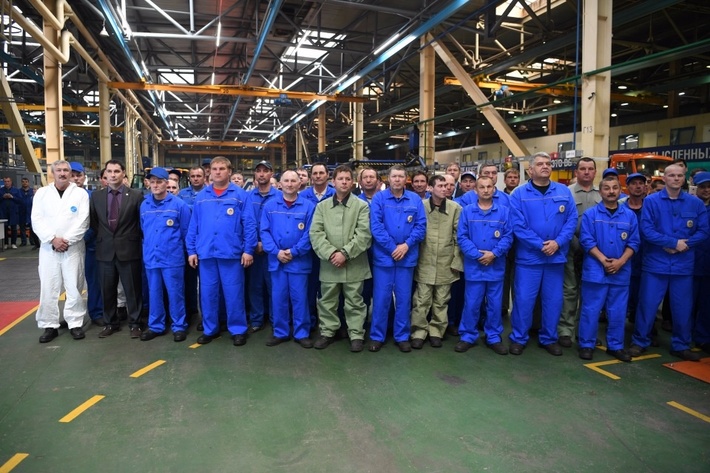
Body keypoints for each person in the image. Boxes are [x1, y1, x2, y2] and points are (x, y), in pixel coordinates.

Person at [630, 164, 709, 361]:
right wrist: (672, 243)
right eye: (671, 175)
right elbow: (646, 229)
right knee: (647, 305)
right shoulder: (651, 201)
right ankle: (640, 341)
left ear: (685, 179)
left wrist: (685, 244)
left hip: (683, 266)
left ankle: (681, 345)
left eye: (679, 175)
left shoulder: (695, 204)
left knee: (683, 308)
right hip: (656, 264)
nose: (676, 178)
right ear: (664, 178)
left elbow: (704, 231)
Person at [508, 152, 577, 356]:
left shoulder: (563, 192)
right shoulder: (519, 194)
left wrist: (558, 243)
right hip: (529, 259)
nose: (545, 166)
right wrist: (540, 245)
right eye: (540, 164)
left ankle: (549, 338)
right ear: (530, 170)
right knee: (523, 300)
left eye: (548, 163)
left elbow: (571, 220)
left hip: (555, 258)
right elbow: (518, 226)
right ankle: (519, 338)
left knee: (553, 301)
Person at [186, 156, 256, 346]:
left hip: (231, 253)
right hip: (206, 253)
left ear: (229, 171)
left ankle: (238, 329)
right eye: (214, 169)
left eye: (222, 168)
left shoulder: (240, 195)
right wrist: (191, 250)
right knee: (208, 294)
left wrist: (248, 250)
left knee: (234, 294)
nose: (217, 172)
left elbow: (249, 224)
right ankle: (210, 329)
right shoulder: (202, 197)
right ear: (210, 172)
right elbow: (194, 226)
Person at [577, 174, 640, 362]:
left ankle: (615, 346)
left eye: (615, 188)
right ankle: (586, 344)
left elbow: (634, 242)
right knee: (590, 309)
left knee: (618, 311)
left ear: (620, 191)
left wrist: (620, 262)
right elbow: (586, 240)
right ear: (601, 192)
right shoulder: (591, 215)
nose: (611, 192)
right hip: (595, 271)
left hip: (621, 272)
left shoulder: (629, 216)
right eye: (607, 188)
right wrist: (604, 260)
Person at [310, 165, 372, 352]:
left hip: (354, 264)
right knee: (327, 301)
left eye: (347, 179)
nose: (344, 182)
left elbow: (364, 235)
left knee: (355, 301)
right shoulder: (322, 207)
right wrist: (331, 253)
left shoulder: (361, 206)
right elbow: (316, 233)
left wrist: (344, 254)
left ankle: (356, 334)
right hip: (329, 264)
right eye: (340, 179)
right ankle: (328, 332)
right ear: (333, 182)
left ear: (352, 182)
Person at [369, 165, 426, 352]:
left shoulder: (415, 200)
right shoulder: (379, 198)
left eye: (401, 176)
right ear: (388, 178)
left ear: (406, 179)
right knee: (381, 299)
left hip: (406, 258)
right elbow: (376, 227)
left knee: (403, 299)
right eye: (394, 176)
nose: (397, 179)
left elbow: (421, 226)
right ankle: (377, 336)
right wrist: (393, 248)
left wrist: (406, 245)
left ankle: (402, 336)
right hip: (384, 258)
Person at [32, 160, 90, 343]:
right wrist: (52, 239)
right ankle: (49, 324)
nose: (62, 173)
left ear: (70, 173)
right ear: (52, 173)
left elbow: (83, 221)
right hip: (49, 249)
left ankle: (75, 323)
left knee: (74, 286)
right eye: (59, 170)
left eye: (66, 170)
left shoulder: (80, 194)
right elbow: (36, 219)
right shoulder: (42, 194)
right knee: (48, 286)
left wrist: (67, 241)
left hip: (73, 248)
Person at [455, 176, 513, 355]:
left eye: (489, 187)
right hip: (475, 266)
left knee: (495, 304)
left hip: (496, 266)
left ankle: (493, 337)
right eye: (482, 187)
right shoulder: (467, 211)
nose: (486, 190)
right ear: (476, 190)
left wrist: (494, 253)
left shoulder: (504, 212)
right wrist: (477, 255)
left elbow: (508, 236)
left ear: (494, 189)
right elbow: (462, 237)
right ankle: (468, 336)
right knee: (472, 303)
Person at [90, 159, 145, 338]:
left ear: (123, 173)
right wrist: (106, 238)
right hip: (105, 251)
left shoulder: (136, 195)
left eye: (116, 171)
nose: (113, 175)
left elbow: (140, 222)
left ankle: (135, 324)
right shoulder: (96, 197)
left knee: (133, 291)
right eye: (109, 171)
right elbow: (94, 222)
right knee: (107, 291)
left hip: (129, 250)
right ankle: (110, 323)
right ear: (105, 174)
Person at [259, 170, 315, 348]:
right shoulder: (269, 206)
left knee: (300, 299)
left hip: (299, 261)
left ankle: (302, 333)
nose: (290, 184)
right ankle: (280, 332)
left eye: (293, 181)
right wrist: (276, 252)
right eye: (286, 181)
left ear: (300, 184)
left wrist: (294, 251)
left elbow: (311, 233)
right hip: (277, 262)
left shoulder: (309, 207)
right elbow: (264, 232)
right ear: (280, 184)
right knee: (278, 298)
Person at [410, 174, 463, 349]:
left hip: (446, 263)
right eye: (440, 186)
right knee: (421, 300)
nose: (445, 189)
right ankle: (418, 332)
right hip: (424, 261)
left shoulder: (455, 208)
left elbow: (459, 237)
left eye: (447, 186)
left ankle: (436, 332)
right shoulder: (421, 207)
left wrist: (456, 262)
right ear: (430, 188)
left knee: (442, 300)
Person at [139, 168, 192, 342]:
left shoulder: (179, 205)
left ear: (166, 183)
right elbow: (143, 230)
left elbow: (186, 232)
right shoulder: (144, 205)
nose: (155, 185)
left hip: (172, 258)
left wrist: (188, 253)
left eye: (159, 182)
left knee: (175, 293)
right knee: (154, 293)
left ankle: (179, 326)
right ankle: (156, 325)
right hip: (152, 257)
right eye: (152, 182)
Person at [557, 158, 601, 348]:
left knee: (590, 294)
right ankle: (565, 330)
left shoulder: (602, 194)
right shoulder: (566, 193)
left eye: (590, 169)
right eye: (582, 168)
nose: (586, 172)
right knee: (569, 290)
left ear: (595, 172)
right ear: (576, 172)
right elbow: (561, 221)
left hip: (595, 253)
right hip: (570, 249)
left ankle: (586, 332)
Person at [244, 160, 279, 333]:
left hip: (273, 250)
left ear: (271, 173)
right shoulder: (248, 197)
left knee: (274, 287)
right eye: (259, 171)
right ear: (255, 175)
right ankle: (256, 319)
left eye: (265, 170)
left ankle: (275, 319)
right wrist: (253, 244)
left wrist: (267, 244)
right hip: (254, 250)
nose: (262, 174)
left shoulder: (279, 196)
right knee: (255, 286)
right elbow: (246, 223)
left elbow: (280, 225)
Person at [300, 162, 335, 328]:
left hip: (331, 249)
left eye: (321, 173)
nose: (318, 176)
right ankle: (311, 322)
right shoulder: (303, 196)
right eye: (315, 173)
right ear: (311, 176)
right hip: (309, 250)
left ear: (327, 175)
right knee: (310, 288)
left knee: (331, 289)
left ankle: (332, 324)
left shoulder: (336, 194)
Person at [69, 162, 103, 326]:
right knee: (71, 283)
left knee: (94, 281)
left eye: (79, 175)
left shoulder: (92, 197)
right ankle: (71, 315)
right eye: (73, 175)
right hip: (68, 247)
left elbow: (96, 222)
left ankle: (96, 312)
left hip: (89, 245)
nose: (76, 179)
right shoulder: (62, 198)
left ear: (84, 177)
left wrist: (82, 238)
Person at [619, 173, 647, 323]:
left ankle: (641, 322)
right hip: (623, 257)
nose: (638, 186)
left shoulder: (650, 207)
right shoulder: (620, 207)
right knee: (621, 294)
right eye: (634, 183)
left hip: (646, 257)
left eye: (641, 183)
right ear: (627, 187)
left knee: (644, 294)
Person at [691, 172, 710, 353]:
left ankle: (703, 337)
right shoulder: (689, 207)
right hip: (690, 263)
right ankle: (684, 335)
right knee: (687, 303)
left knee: (706, 303)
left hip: (707, 265)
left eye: (709, 187)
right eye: (703, 187)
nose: (707, 190)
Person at [1, 176, 22, 249]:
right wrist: (3, 197)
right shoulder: (1, 190)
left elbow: (20, 200)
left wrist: (12, 197)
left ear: (11, 182)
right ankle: (5, 243)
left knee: (14, 228)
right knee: (4, 228)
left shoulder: (16, 190)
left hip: (13, 211)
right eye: (5, 181)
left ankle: (13, 243)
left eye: (8, 181)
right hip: (3, 212)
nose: (7, 183)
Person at [18, 177, 37, 248]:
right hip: (22, 211)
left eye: (26, 182)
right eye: (23, 182)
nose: (24, 183)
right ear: (21, 183)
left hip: (31, 211)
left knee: (32, 228)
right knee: (22, 227)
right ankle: (23, 241)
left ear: (28, 182)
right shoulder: (18, 191)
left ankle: (32, 241)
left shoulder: (32, 191)